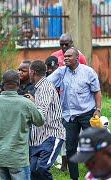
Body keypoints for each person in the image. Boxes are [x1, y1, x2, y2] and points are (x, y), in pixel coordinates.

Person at [48, 47, 102, 180]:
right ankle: (74, 177)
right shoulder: (61, 72)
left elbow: (97, 91)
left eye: (69, 56)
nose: (65, 58)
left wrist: (98, 109)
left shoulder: (88, 72)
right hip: (69, 116)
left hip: (87, 114)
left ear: (77, 58)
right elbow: (46, 83)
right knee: (71, 148)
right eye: (64, 56)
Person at [0, 69, 44, 180]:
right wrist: (35, 103)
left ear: (2, 83)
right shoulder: (26, 103)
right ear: (18, 84)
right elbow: (40, 121)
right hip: (18, 158)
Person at [28, 60, 66, 179]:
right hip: (38, 137)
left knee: (42, 168)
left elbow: (40, 114)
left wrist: (28, 106)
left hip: (51, 135)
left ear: (32, 72)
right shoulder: (39, 87)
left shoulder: (45, 87)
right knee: (33, 170)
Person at [45, 55, 68, 172]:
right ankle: (59, 163)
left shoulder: (63, 76)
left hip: (66, 112)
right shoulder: (46, 80)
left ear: (58, 67)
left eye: (52, 68)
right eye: (48, 68)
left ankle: (65, 164)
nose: (50, 70)